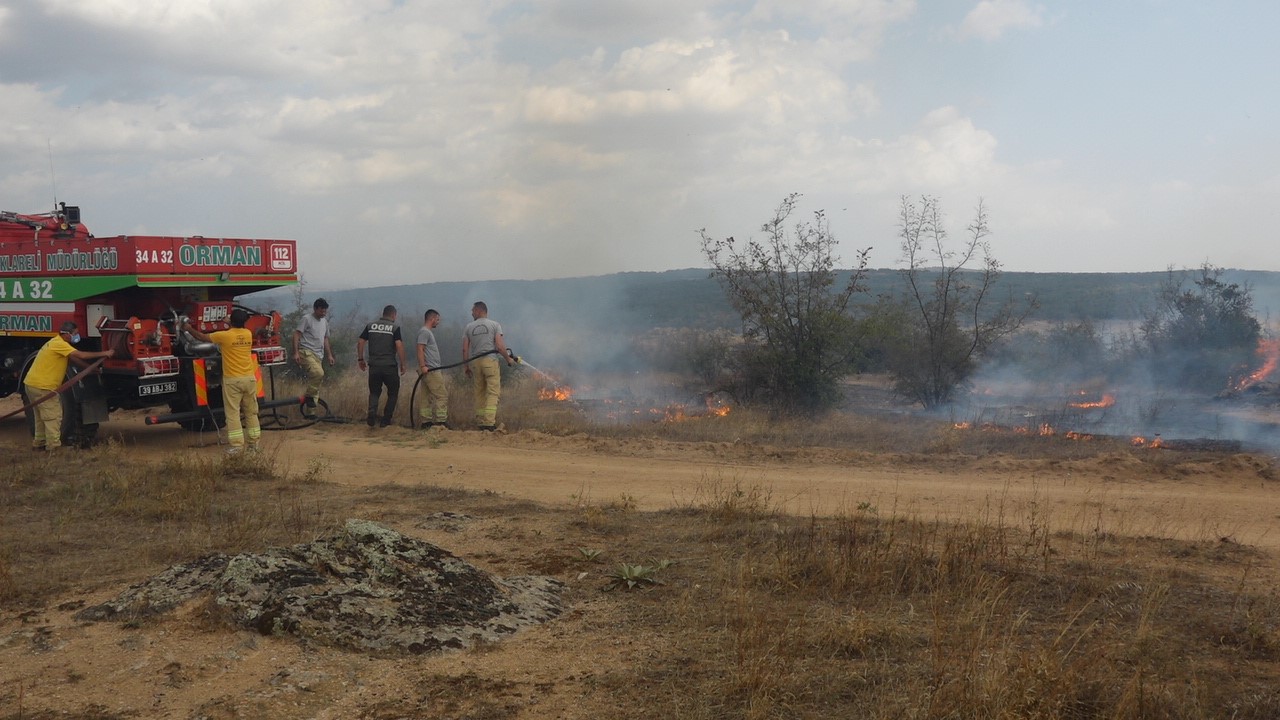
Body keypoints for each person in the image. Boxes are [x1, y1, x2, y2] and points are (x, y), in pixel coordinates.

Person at [23, 321, 114, 450]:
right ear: (66, 334)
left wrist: (91, 369)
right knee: (52, 416)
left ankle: (39, 443)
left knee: (40, 416)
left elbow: (74, 359)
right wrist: (105, 353)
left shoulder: (56, 343)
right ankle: (53, 447)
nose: (77, 336)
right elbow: (81, 355)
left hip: (31, 384)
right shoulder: (59, 344)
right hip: (43, 387)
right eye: (75, 334)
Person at [183, 309, 261, 454]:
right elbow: (236, 330)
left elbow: (201, 337)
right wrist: (230, 322)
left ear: (232, 321)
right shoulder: (248, 334)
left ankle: (237, 446)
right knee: (251, 412)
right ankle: (254, 444)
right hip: (249, 379)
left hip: (233, 381)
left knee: (233, 413)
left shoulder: (224, 336)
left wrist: (188, 329)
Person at [461, 301, 514, 431]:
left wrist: (466, 366)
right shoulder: (495, 325)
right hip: (490, 361)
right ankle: (489, 423)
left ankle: (480, 421)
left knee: (479, 392)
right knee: (493, 392)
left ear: (480, 310)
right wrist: (508, 360)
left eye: (473, 311)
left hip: (476, 363)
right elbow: (500, 346)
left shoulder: (468, 327)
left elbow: (464, 349)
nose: (472, 313)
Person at [356, 305, 406, 428]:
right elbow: (399, 345)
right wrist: (403, 363)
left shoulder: (370, 326)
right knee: (393, 392)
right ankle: (386, 420)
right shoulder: (395, 328)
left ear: (383, 314)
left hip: (374, 366)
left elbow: (361, 341)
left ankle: (372, 412)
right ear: (394, 315)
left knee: (374, 392)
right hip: (389, 366)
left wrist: (361, 359)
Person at [292, 297, 335, 417]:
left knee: (316, 382)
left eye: (325, 311)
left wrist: (329, 355)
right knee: (318, 373)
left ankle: (311, 413)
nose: (323, 313)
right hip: (306, 352)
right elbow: (296, 334)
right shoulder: (307, 319)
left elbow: (325, 338)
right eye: (321, 310)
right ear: (315, 309)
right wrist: (295, 352)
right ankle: (309, 397)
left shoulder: (324, 322)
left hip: (318, 355)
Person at [415, 309, 450, 429]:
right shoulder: (425, 332)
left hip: (428, 369)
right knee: (442, 395)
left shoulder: (426, 332)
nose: (438, 322)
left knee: (426, 397)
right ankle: (441, 422)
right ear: (432, 319)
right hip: (431, 370)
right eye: (438, 319)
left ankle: (426, 423)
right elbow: (420, 349)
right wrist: (423, 366)